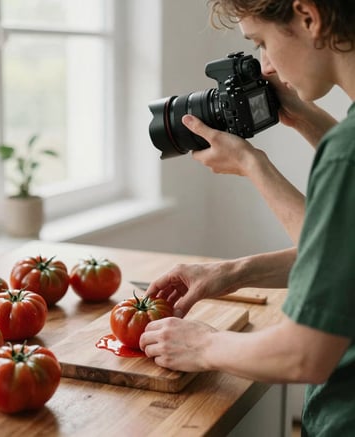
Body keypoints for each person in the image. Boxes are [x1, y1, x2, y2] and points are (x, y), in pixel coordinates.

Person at [139, 1, 355, 435]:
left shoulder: (345, 152)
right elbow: (347, 254)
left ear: (308, 18)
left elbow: (304, 355)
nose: (267, 66)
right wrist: (234, 271)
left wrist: (204, 345)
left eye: (261, 43)